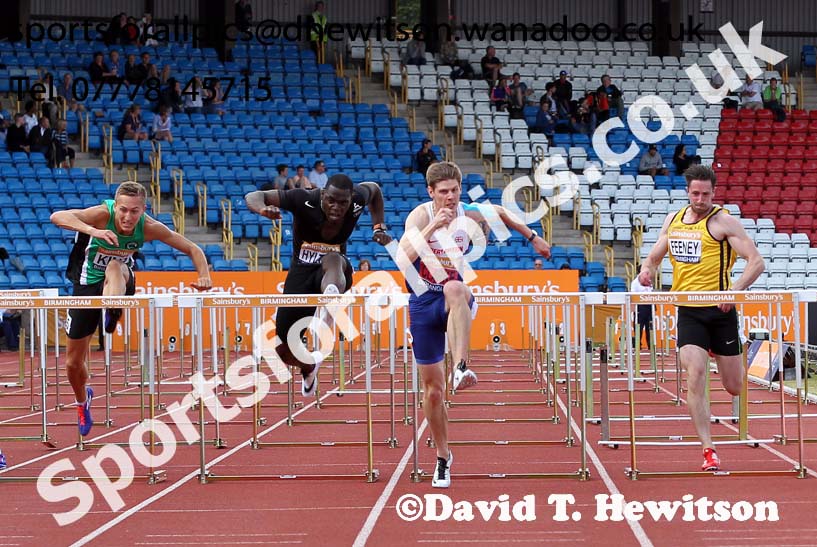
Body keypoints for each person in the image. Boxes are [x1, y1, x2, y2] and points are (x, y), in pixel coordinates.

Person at [398, 161, 552, 488]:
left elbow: (501, 211)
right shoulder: (421, 216)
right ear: (431, 192)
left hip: (455, 297)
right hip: (423, 301)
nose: (451, 198)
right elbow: (401, 258)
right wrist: (431, 227)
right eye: (444, 193)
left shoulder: (469, 213)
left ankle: (462, 367)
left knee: (455, 288)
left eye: (455, 190)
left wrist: (533, 238)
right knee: (433, 393)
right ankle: (443, 456)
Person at [50, 181, 212, 437]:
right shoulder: (102, 215)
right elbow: (57, 216)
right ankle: (83, 402)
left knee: (115, 266)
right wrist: (94, 231)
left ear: (143, 210)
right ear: (116, 207)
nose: (127, 217)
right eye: (123, 210)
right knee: (72, 364)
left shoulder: (149, 228)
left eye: (134, 211)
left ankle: (112, 308)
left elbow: (193, 248)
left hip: (121, 279)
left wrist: (204, 276)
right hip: (86, 284)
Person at [637, 164, 764, 472]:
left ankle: (722, 350)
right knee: (695, 374)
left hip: (720, 311)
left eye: (706, 194)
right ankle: (708, 449)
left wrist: (733, 291)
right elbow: (654, 256)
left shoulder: (723, 221)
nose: (700, 199)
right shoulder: (675, 220)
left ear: (714, 192)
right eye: (695, 193)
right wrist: (647, 271)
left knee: (734, 386)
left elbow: (756, 262)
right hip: (689, 310)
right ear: (687, 192)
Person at [245, 175, 391, 397]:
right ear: (323, 194)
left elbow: (376, 190)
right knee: (283, 349)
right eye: (331, 200)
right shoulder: (303, 198)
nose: (337, 208)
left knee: (332, 257)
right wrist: (263, 209)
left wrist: (378, 227)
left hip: (335, 271)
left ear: (351, 199)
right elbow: (254, 196)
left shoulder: (359, 199)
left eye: (343, 203)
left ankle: (331, 300)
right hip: (301, 272)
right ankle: (309, 367)